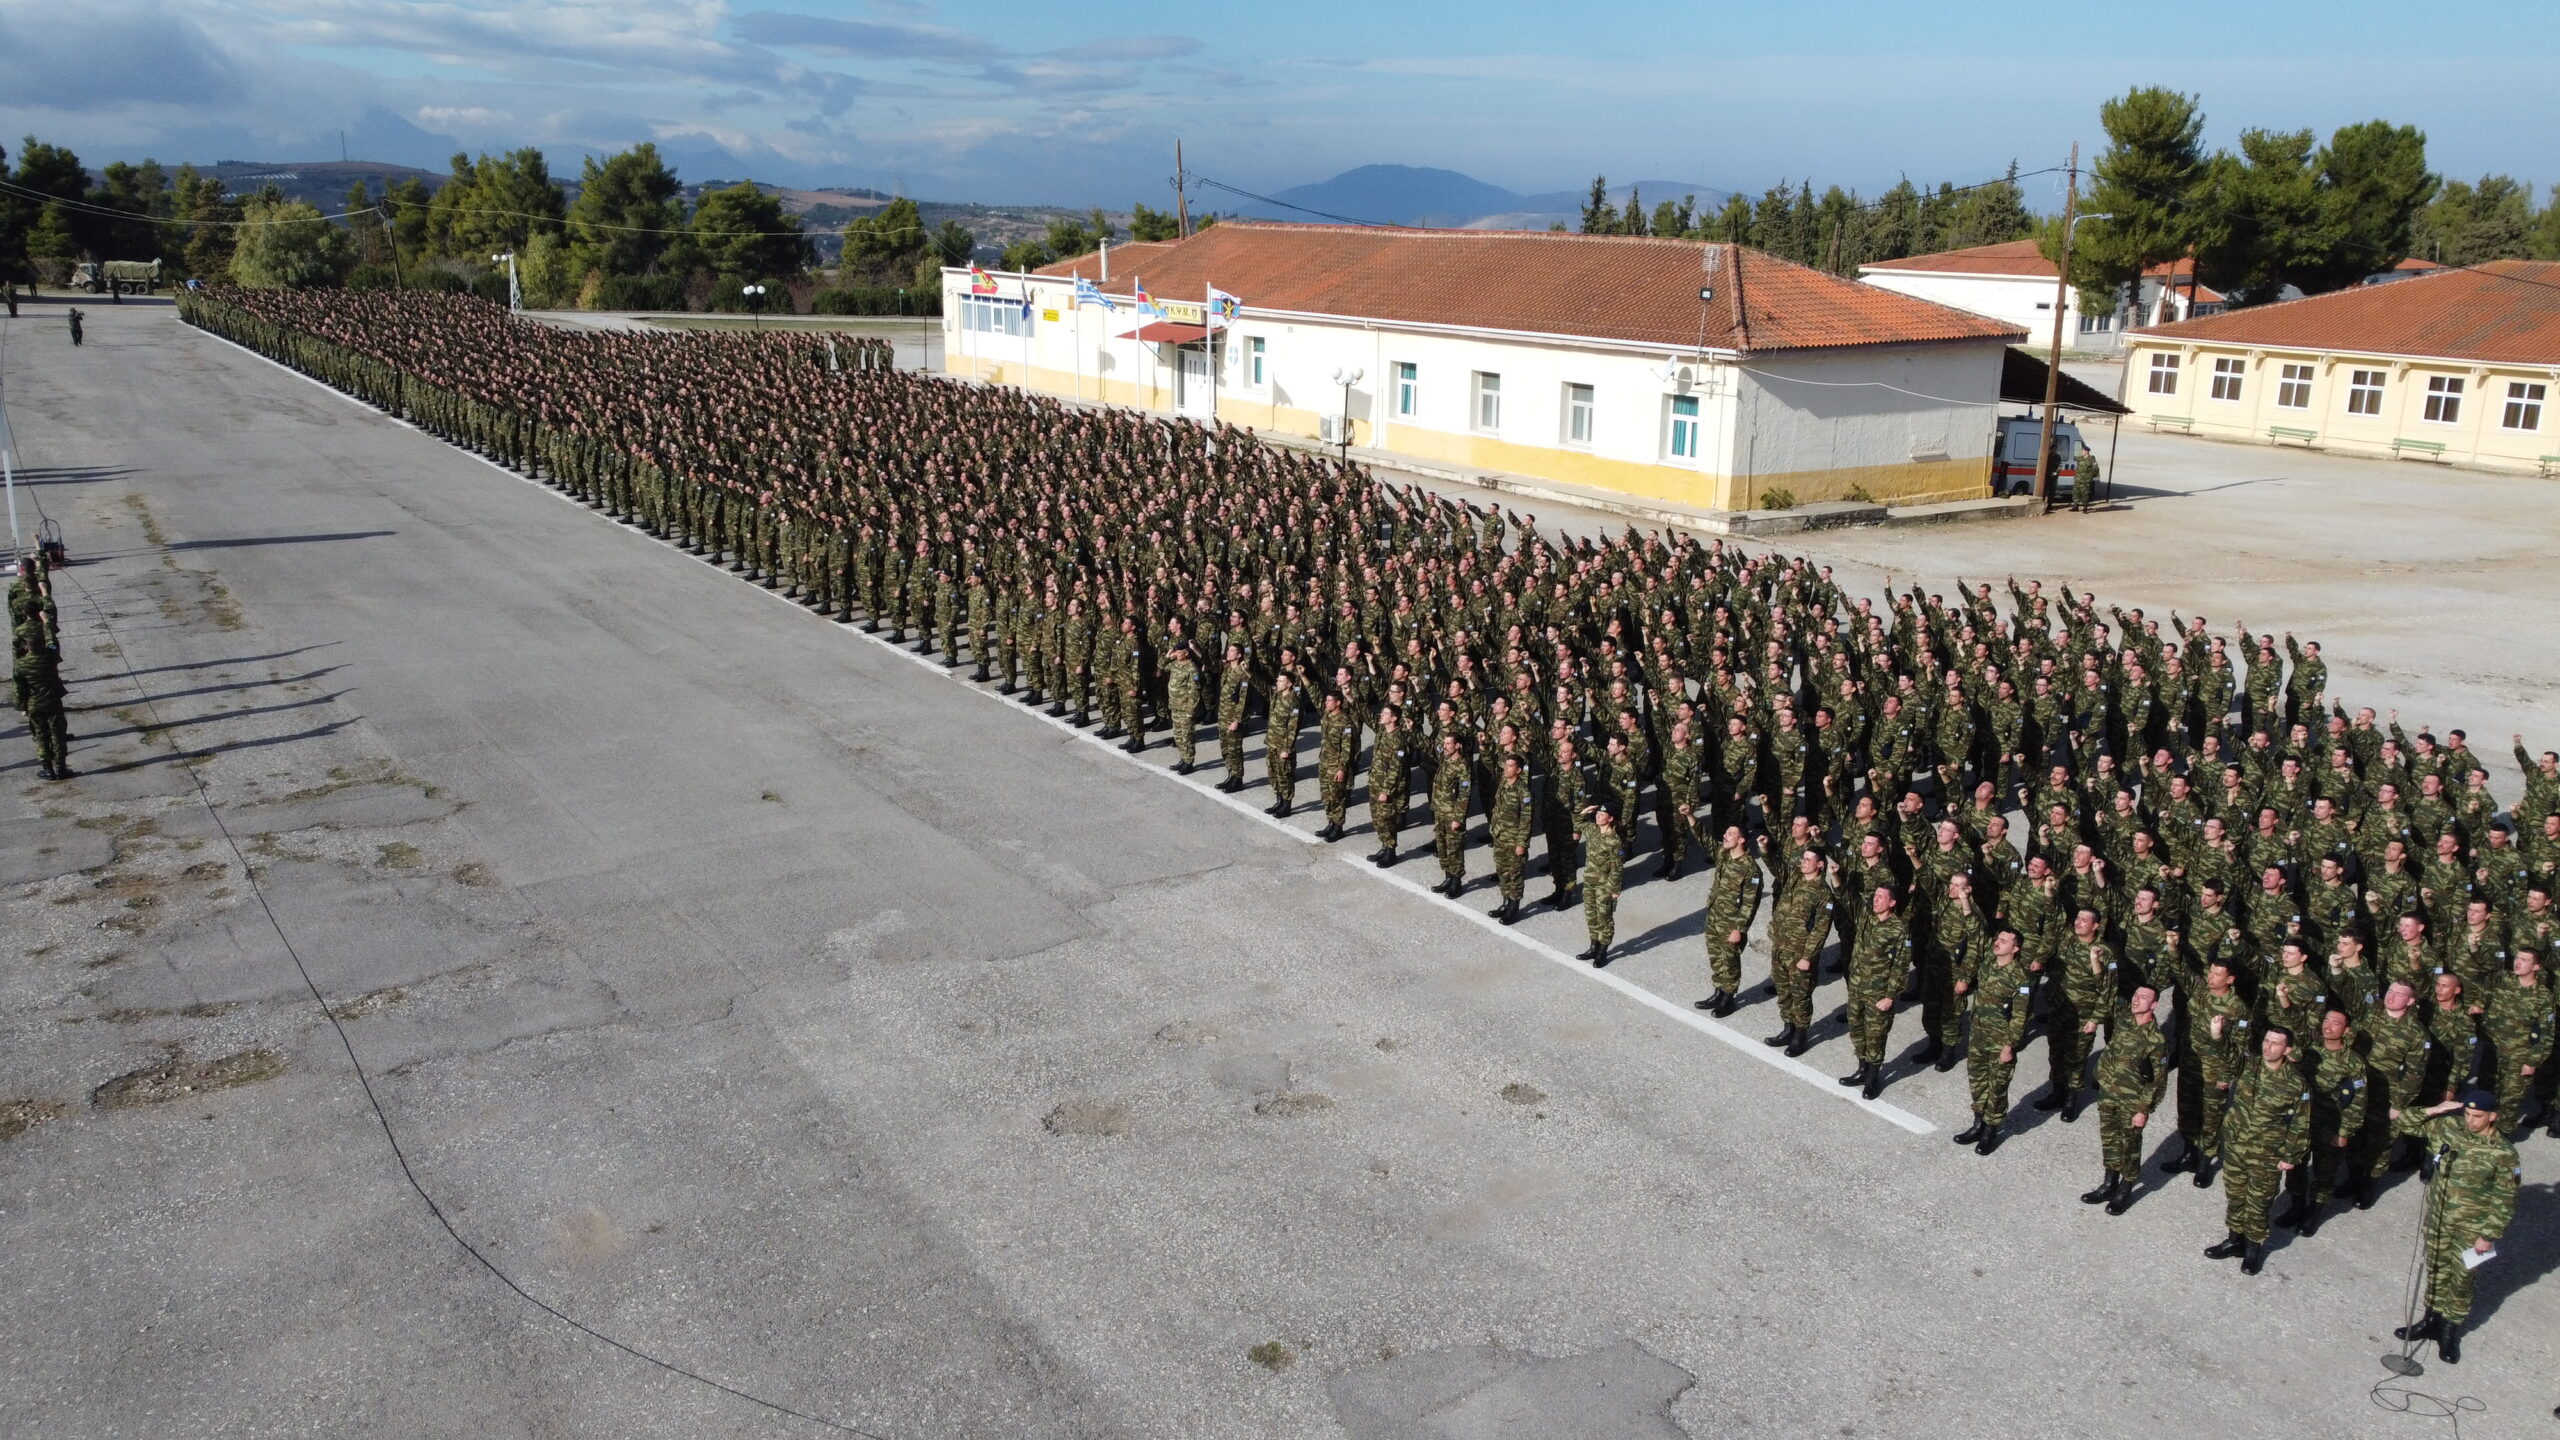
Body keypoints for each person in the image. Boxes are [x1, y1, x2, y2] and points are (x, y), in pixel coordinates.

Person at [2392, 1091, 2521, 1365]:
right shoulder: (2450, 1128)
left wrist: (2488, 1236)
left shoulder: (2504, 1153)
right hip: (2439, 1219)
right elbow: (2405, 1122)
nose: (2470, 1121)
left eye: (2477, 1117)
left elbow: (2505, 1201)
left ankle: (2450, 1330)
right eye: (2467, 1114)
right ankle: (2430, 1320)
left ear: (2492, 1116)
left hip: (2473, 1229)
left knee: (2462, 1278)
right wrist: (2435, 1109)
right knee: (2436, 1269)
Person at [2207, 1025, 2311, 1275]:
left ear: (2287, 1049)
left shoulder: (2296, 1083)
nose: (2268, 1046)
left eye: (2275, 1043)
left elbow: (2301, 1122)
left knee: (2259, 1202)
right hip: (2237, 1145)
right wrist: (2218, 1035)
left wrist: (2291, 1156)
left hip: (2267, 1153)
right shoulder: (2249, 1066)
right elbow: (2228, 1054)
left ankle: (2253, 1249)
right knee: (2235, 1195)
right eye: (2266, 1040)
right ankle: (2235, 1240)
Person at [2082, 983, 2168, 1214]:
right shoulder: (2124, 1019)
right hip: (2109, 1093)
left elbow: (2157, 1080)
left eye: (2144, 997)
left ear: (2155, 1005)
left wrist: (2144, 1110)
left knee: (2129, 1145)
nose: (2137, 1000)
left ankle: (2125, 1188)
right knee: (2109, 1139)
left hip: (2133, 1101)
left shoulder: (2156, 1039)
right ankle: (2109, 1183)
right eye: (2136, 995)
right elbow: (2107, 991)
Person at [1694, 825, 1760, 1016]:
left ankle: (1728, 998)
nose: (1725, 835)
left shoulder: (1751, 869)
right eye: (1725, 832)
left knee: (1730, 959)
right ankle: (1718, 991)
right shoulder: (1724, 854)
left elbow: (1750, 903)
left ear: (1741, 840)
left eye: (1730, 833)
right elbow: (1704, 839)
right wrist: (1691, 817)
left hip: (1731, 923)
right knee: (1715, 956)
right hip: (1714, 917)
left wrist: (1739, 929)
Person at [1578, 805, 1623, 966]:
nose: (1598, 816)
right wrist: (1584, 812)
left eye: (1602, 814)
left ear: (1610, 819)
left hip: (1604, 885)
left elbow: (1617, 867)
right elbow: (1576, 823)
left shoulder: (1614, 840)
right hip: (1589, 882)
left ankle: (1602, 951)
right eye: (1597, 813)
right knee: (1591, 915)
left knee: (1605, 917)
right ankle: (1593, 947)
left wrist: (1615, 889)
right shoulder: (1592, 830)